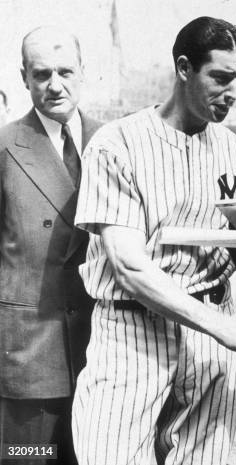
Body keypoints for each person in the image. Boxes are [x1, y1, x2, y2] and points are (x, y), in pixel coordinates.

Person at [71, 17, 236, 465]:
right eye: (220, 78)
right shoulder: (115, 144)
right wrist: (221, 326)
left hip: (211, 337)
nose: (233, 92)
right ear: (184, 68)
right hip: (132, 330)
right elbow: (128, 267)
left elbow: (235, 257)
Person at [0, 27, 101, 464]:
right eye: (42, 74)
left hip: (104, 352)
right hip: (29, 356)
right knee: (30, 457)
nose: (54, 85)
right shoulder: (4, 148)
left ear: (84, 73)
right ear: (24, 77)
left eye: (65, 71)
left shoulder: (115, 143)